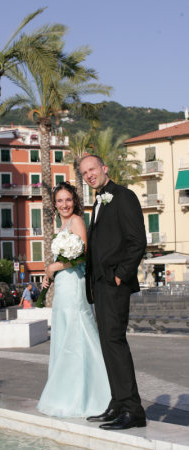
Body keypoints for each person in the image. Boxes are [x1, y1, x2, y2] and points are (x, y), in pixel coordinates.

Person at [80, 155, 147, 430]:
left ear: (104, 169)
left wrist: (121, 274)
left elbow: (137, 242)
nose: (89, 175)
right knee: (108, 344)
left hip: (114, 284)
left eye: (92, 169)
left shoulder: (124, 196)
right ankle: (118, 402)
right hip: (100, 286)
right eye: (84, 173)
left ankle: (133, 409)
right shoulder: (98, 201)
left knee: (115, 342)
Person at [37, 182, 111, 418]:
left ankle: (91, 396)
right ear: (55, 204)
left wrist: (53, 266)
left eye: (68, 199)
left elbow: (82, 255)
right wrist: (52, 274)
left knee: (77, 334)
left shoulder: (77, 220)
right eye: (59, 200)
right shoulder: (62, 224)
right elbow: (66, 257)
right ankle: (66, 393)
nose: (64, 204)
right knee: (65, 333)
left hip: (74, 286)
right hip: (63, 285)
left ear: (74, 200)